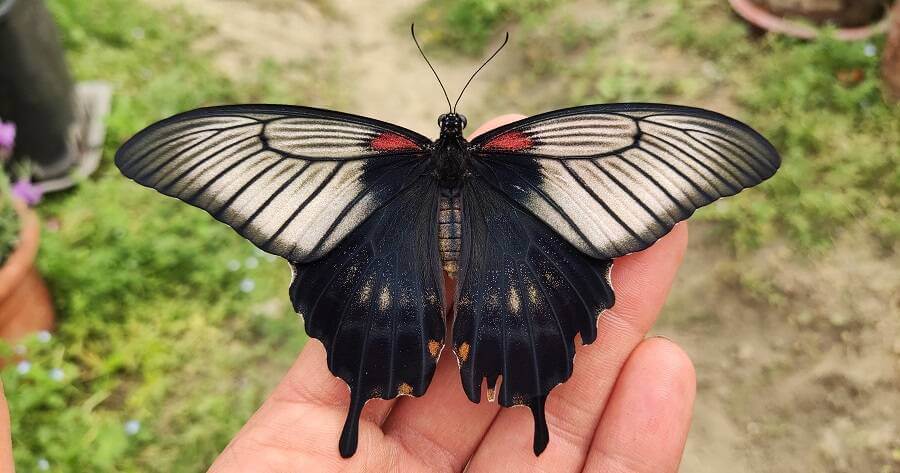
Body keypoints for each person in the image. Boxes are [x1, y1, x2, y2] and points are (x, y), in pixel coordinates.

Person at [0, 116, 696, 472]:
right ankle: (532, 410)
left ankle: (488, 398)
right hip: (512, 262)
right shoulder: (519, 150)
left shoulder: (379, 150)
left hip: (389, 266)